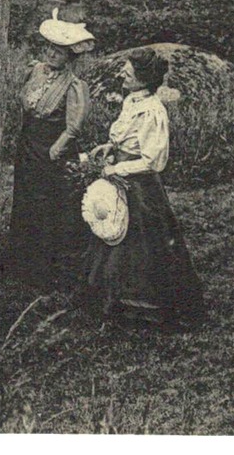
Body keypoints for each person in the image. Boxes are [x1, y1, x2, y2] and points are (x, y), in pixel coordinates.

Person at [86, 47, 204, 329]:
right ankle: (108, 298)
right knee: (112, 232)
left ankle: (141, 308)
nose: (122, 74)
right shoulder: (132, 101)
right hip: (120, 177)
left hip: (140, 187)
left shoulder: (153, 111)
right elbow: (128, 139)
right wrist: (111, 147)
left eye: (128, 72)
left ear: (144, 78)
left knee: (140, 243)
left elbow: (154, 161)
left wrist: (116, 169)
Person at [3, 9, 93, 291]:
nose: (52, 54)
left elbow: (73, 127)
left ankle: (43, 271)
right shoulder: (34, 70)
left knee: (48, 205)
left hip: (52, 149)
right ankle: (20, 262)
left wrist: (56, 149)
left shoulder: (74, 86)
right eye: (50, 48)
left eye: (60, 51)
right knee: (25, 199)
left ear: (70, 56)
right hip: (28, 143)